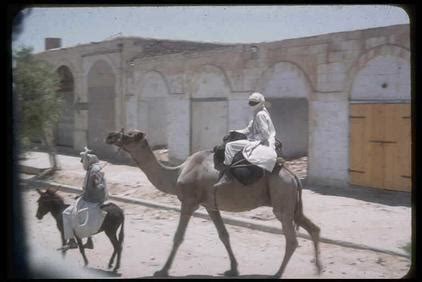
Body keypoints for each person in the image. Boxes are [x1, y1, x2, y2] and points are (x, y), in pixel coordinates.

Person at [214, 92, 277, 187]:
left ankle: (227, 174)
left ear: (260, 103)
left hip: (261, 142)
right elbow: (248, 130)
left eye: (253, 103)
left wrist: (252, 139)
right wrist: (235, 131)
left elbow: (265, 134)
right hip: (257, 140)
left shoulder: (260, 115)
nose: (251, 105)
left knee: (229, 146)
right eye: (251, 103)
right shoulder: (257, 114)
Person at [61, 147, 109, 250]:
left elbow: (100, 185)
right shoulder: (92, 168)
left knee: (67, 213)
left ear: (88, 159)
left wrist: (96, 183)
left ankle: (72, 241)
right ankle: (87, 241)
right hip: (88, 197)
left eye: (83, 159)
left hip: (92, 200)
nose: (81, 162)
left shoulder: (95, 169)